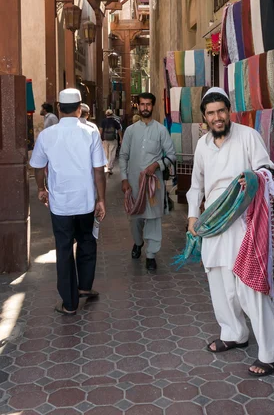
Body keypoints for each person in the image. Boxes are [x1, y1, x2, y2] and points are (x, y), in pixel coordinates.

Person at [186, 87, 274, 376]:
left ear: (229, 112)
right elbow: (196, 185)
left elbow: (268, 171)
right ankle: (234, 333)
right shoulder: (203, 145)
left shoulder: (248, 136)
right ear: (204, 117)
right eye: (211, 113)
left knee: (249, 287)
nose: (217, 117)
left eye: (221, 111)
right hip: (214, 222)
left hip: (244, 221)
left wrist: (254, 179)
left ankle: (271, 351)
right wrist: (193, 217)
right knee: (219, 283)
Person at [30, 88, 107, 315]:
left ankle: (70, 304)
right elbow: (99, 170)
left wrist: (41, 188)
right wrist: (101, 199)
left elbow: (37, 167)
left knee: (64, 250)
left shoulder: (46, 135)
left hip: (60, 205)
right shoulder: (91, 132)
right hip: (85, 202)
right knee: (87, 243)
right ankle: (84, 287)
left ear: (58, 107)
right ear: (79, 107)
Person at [119, 92, 176, 271]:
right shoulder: (130, 131)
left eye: (148, 104)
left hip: (154, 185)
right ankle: (138, 243)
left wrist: (157, 165)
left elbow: (172, 155)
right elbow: (123, 156)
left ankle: (151, 255)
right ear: (138, 106)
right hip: (135, 184)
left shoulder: (160, 130)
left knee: (153, 219)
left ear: (153, 106)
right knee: (135, 219)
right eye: (142, 104)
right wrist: (124, 179)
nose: (145, 107)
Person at [99, 109, 122, 175]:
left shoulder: (103, 121)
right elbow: (119, 130)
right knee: (112, 153)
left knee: (106, 153)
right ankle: (109, 167)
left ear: (106, 115)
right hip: (113, 139)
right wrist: (121, 138)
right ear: (112, 114)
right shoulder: (115, 121)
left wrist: (99, 138)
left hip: (105, 139)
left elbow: (100, 130)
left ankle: (107, 166)